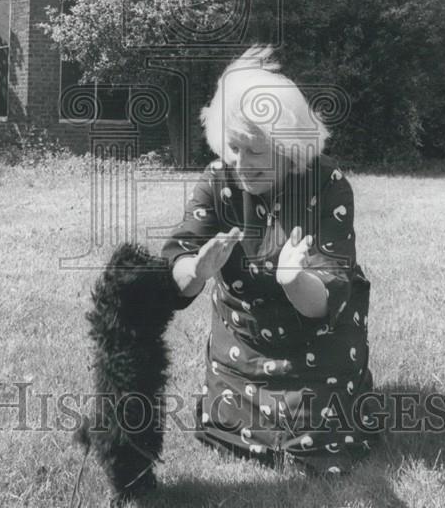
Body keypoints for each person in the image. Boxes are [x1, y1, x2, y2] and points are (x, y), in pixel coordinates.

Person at [161, 45, 379, 475]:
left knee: (319, 439)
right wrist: (196, 271)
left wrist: (293, 278)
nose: (240, 164)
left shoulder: (328, 185)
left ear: (287, 146)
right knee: (232, 422)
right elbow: (179, 255)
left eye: (255, 151)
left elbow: (329, 294)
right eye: (233, 147)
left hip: (317, 346)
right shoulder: (218, 179)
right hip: (242, 346)